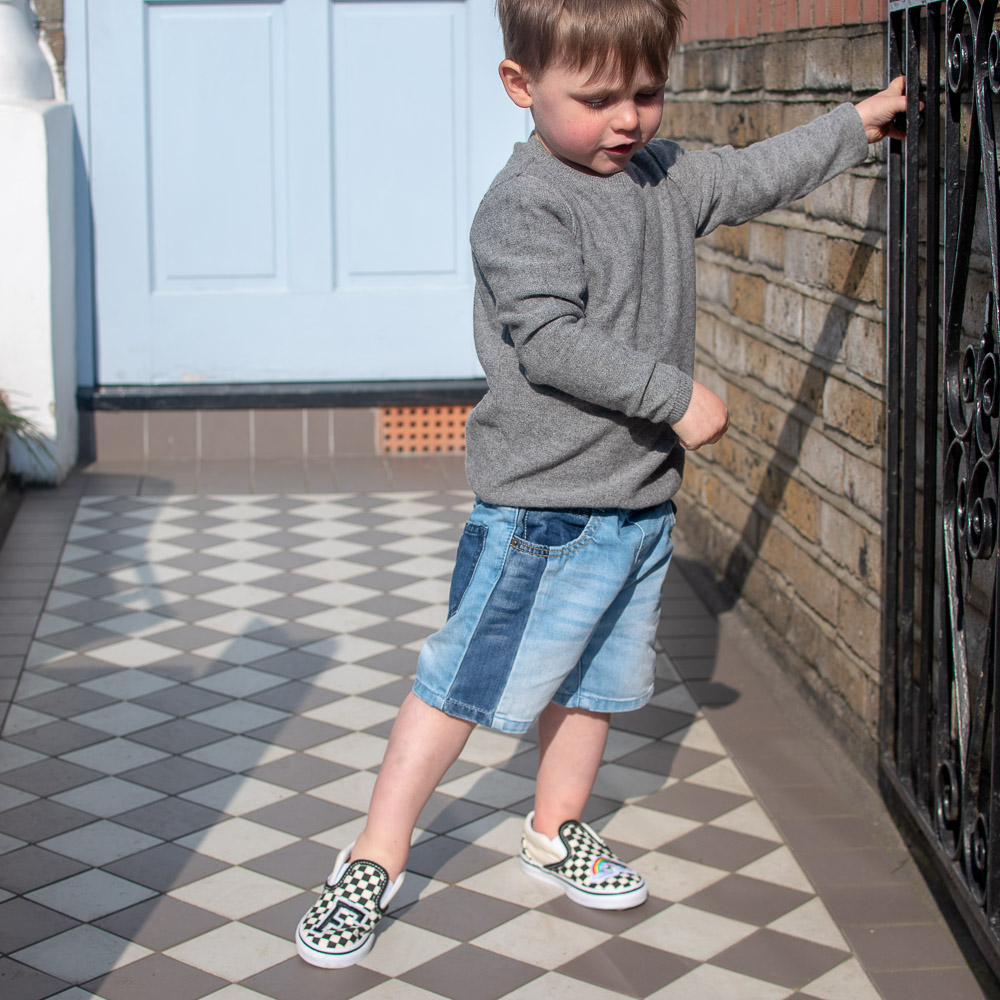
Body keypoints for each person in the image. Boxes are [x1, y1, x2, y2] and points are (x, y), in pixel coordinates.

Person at [295, 0, 908, 969]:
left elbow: (749, 175)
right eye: (597, 99)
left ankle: (554, 827)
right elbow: (549, 339)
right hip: (543, 505)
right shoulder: (525, 204)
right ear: (519, 86)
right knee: (462, 683)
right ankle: (374, 853)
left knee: (594, 682)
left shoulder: (661, 178)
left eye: (647, 94)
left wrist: (859, 124)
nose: (627, 119)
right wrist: (673, 396)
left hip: (634, 505)